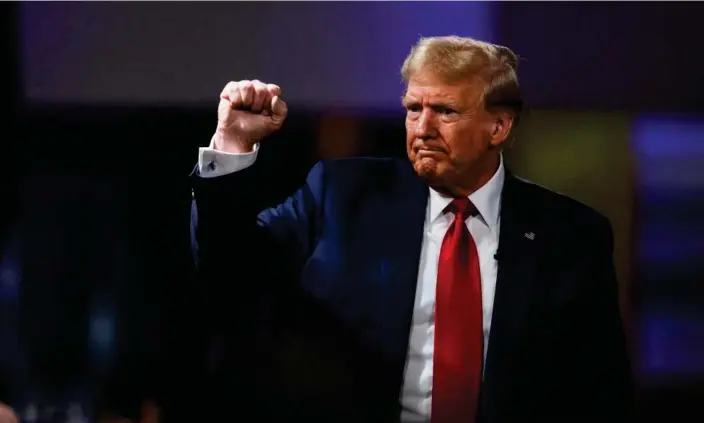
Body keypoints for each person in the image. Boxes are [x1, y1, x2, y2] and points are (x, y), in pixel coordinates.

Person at [190, 36, 633, 423]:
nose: (422, 128)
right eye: (413, 108)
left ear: (498, 126)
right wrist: (232, 144)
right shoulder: (341, 195)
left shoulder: (572, 236)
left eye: (445, 111)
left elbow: (599, 391)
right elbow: (229, 269)